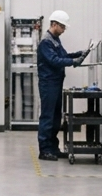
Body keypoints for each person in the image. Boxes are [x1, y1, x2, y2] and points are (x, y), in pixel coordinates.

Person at [37, 10, 90, 160]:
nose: (64, 30)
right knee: (47, 117)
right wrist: (74, 62)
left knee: (55, 117)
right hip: (48, 84)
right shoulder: (46, 42)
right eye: (62, 27)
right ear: (54, 24)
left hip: (56, 83)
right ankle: (44, 150)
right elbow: (55, 61)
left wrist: (78, 54)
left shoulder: (55, 40)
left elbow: (63, 56)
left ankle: (53, 148)